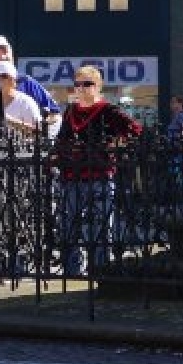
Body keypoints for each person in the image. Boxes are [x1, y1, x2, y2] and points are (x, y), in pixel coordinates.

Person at [53, 64, 143, 277]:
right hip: (72, 175)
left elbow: (135, 130)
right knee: (70, 224)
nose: (82, 88)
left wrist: (116, 144)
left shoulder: (108, 110)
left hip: (99, 174)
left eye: (87, 84)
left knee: (100, 225)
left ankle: (102, 270)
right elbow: (62, 139)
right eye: (78, 84)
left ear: (98, 86)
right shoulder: (71, 111)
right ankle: (72, 270)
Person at [0, 36, 60, 126]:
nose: (3, 57)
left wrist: (41, 129)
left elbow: (55, 114)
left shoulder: (27, 82)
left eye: (5, 52)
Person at [0, 61, 43, 135]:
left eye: (1, 76)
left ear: (12, 80)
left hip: (21, 145)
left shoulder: (25, 102)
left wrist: (8, 121)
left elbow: (39, 132)